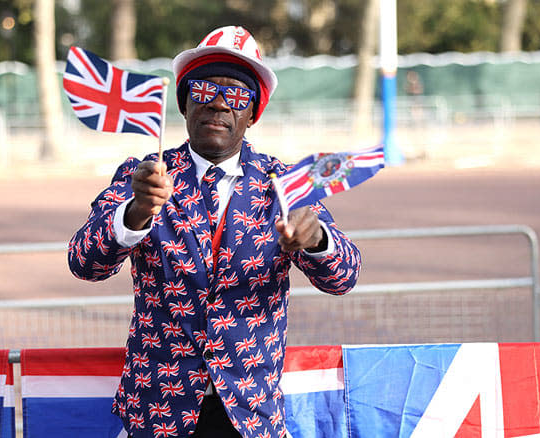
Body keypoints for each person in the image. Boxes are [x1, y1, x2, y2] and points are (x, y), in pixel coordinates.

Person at [68, 25, 361, 438]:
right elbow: (83, 262)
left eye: (237, 95)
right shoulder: (146, 175)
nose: (220, 104)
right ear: (185, 103)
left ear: (251, 114)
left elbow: (345, 277)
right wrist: (134, 212)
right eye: (204, 90)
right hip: (159, 411)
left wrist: (315, 241)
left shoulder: (283, 184)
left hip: (249, 413)